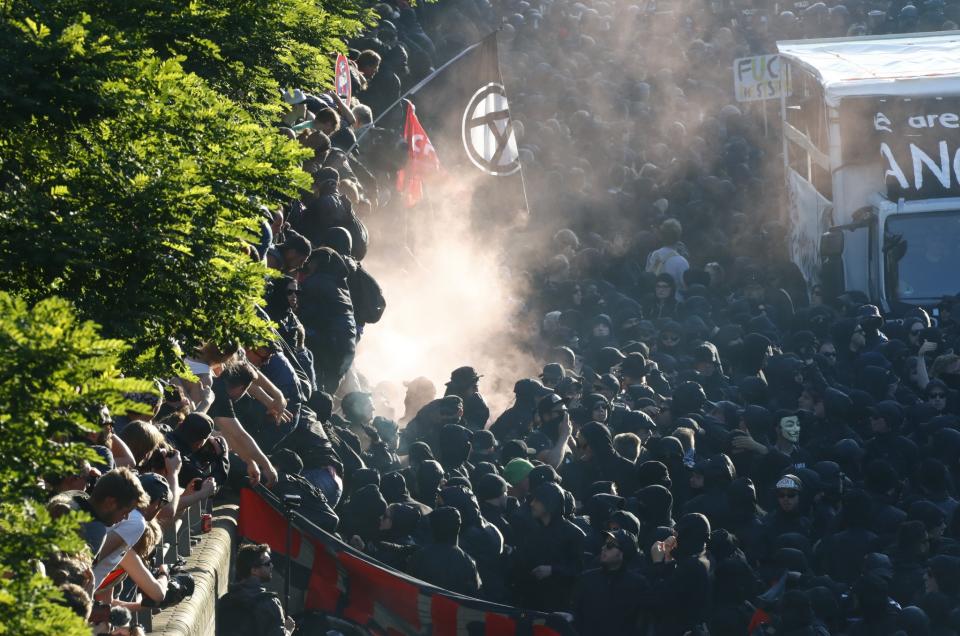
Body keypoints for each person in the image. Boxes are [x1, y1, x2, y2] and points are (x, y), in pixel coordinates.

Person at [573, 529, 649, 635]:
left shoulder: (638, 584)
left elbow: (641, 624)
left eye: (609, 546)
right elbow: (577, 615)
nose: (603, 548)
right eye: (604, 545)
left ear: (623, 553)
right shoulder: (587, 578)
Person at [217, 544, 295, 636]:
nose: (272, 566)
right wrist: (289, 630)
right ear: (254, 570)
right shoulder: (269, 603)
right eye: (267, 563)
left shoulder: (226, 599)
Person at [407, 507, 482, 596]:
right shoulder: (468, 563)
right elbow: (475, 596)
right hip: (450, 609)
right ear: (459, 526)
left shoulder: (419, 556)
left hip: (422, 606)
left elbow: (408, 587)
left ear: (432, 526)